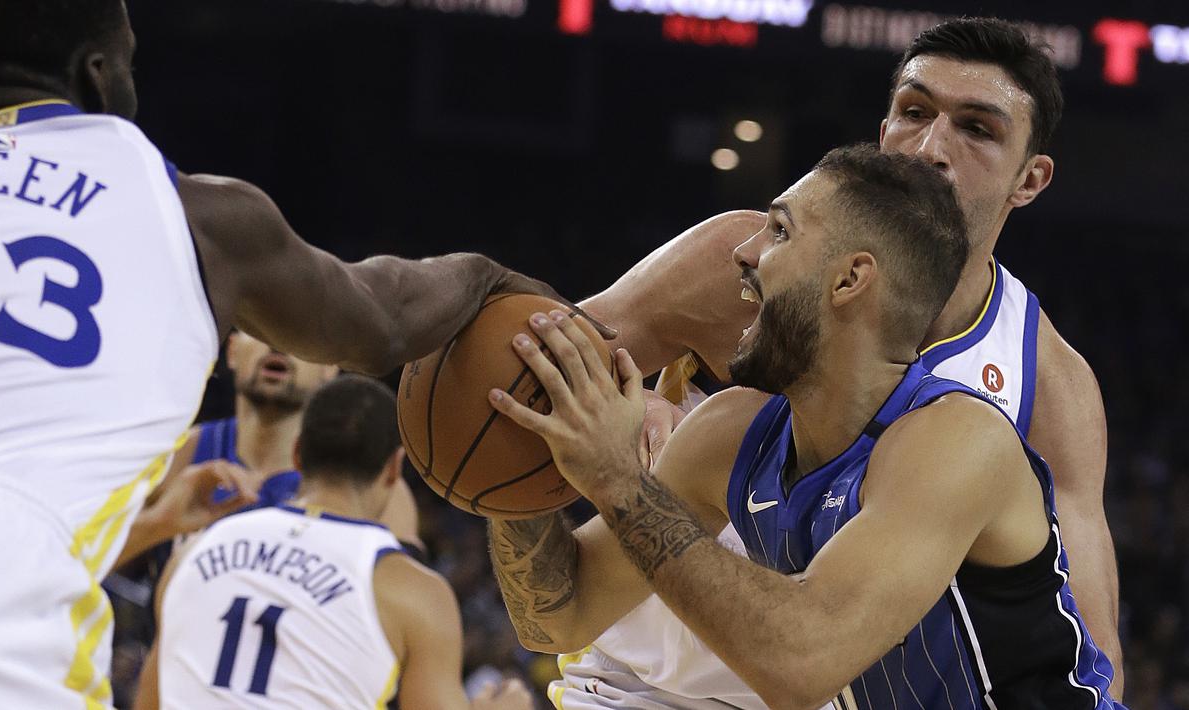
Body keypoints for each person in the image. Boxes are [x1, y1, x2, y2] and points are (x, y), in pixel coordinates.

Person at [0, 1, 565, 706]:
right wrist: (485, 277)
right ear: (97, 77)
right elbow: (383, 320)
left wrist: (158, 527)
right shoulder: (193, 218)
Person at [559, 16, 1122, 706]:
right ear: (883, 129)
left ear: (1029, 179)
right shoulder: (747, 258)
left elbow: (1091, 647)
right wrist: (625, 399)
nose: (930, 148)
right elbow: (544, 361)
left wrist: (617, 478)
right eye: (913, 113)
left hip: (807, 671)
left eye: (976, 129)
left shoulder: (1047, 385)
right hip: (642, 684)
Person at [137, 376, 533, 709]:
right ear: (393, 469)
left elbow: (149, 702)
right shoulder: (411, 590)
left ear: (297, 454)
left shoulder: (195, 549)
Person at [115, 332, 423, 569]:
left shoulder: (370, 481)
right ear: (232, 351)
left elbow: (406, 607)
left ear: (329, 367)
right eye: (260, 329)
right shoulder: (176, 455)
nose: (277, 344)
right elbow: (91, 562)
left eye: (299, 333)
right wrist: (158, 523)